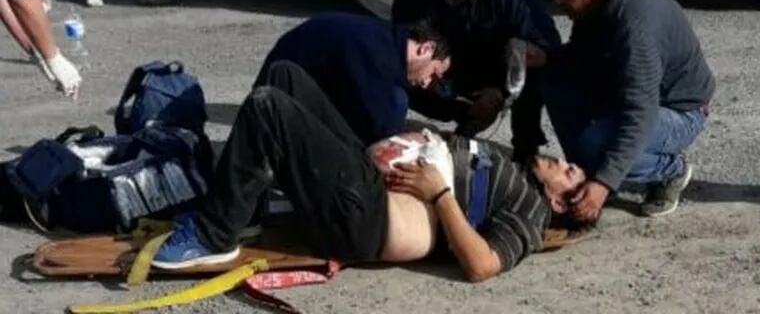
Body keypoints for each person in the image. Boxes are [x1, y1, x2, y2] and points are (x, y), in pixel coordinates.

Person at [151, 60, 586, 281]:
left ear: (557, 201)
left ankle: (214, 237)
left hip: (368, 219)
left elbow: (482, 265)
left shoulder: (529, 212)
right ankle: (240, 209)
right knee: (286, 77)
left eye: (569, 174)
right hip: (365, 182)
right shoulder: (515, 168)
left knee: (269, 107)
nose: (563, 162)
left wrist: (439, 192)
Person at [542, 0, 715, 221]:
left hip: (679, 111)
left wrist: (603, 183)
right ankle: (588, 170)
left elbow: (641, 113)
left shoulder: (637, 27)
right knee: (555, 78)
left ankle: (671, 171)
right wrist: (548, 58)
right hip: (628, 95)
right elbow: (582, 57)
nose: (558, 0)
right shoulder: (597, 3)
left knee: (595, 145)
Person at [392, 0, 561, 160]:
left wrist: (503, 93)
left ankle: (526, 154)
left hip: (492, 78)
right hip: (438, 77)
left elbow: (548, 46)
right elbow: (397, 44)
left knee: (535, 68)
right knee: (393, 72)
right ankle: (393, 135)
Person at [255, 12, 452, 144]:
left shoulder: (385, 39)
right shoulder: (382, 64)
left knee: (422, 129)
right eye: (433, 74)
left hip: (284, 96)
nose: (426, 83)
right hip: (278, 121)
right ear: (426, 48)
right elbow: (383, 139)